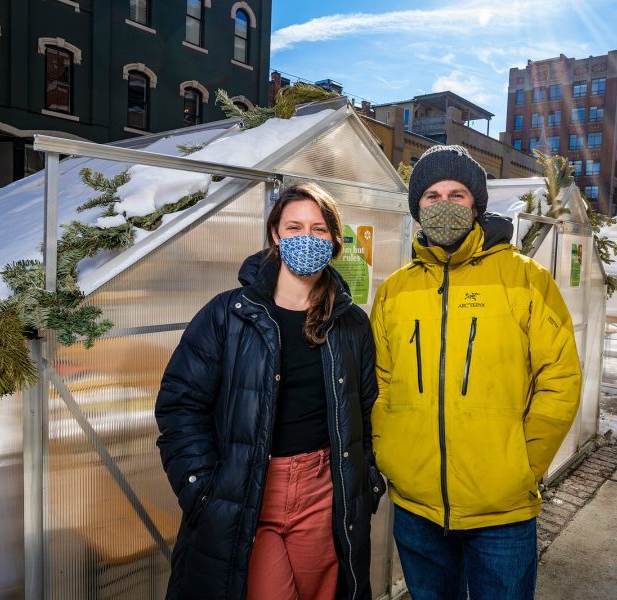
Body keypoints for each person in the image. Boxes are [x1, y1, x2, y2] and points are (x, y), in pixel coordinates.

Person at [370, 145, 582, 600]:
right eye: (431, 196)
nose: (444, 204)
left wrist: (522, 466)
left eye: (457, 194)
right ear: (416, 207)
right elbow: (381, 383)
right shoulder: (394, 290)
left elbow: (559, 379)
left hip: (502, 513)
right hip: (415, 507)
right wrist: (389, 452)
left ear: (476, 205)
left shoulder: (525, 279)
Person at [156, 182, 385, 600]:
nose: (306, 237)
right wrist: (201, 487)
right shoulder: (229, 314)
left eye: (319, 229)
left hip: (323, 488)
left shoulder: (352, 323)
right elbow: (180, 405)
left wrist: (365, 480)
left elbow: (368, 410)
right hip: (248, 487)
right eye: (294, 227)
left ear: (335, 240)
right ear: (276, 235)